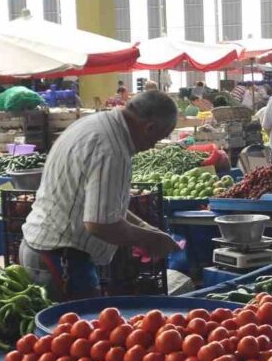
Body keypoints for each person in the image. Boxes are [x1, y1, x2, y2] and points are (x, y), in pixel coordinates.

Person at [20, 91, 179, 300]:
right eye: (157, 139)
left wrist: (147, 228)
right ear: (149, 128)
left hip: (41, 249)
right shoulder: (112, 149)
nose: (151, 147)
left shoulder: (94, 124)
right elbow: (100, 224)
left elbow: (103, 206)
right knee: (73, 330)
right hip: (60, 260)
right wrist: (151, 240)